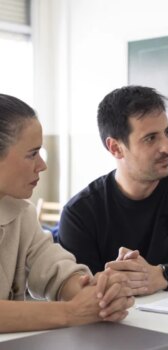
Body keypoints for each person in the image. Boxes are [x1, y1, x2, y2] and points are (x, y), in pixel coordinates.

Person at [58, 85, 168, 296]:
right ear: (115, 148)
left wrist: (162, 275)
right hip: (115, 326)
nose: (167, 147)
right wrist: (123, 278)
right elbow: (79, 291)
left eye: (166, 132)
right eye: (151, 138)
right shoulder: (80, 213)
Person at [0, 94, 134, 333]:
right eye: (32, 154)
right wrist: (70, 312)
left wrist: (99, 296)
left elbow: (54, 268)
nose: (42, 165)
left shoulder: (22, 213)